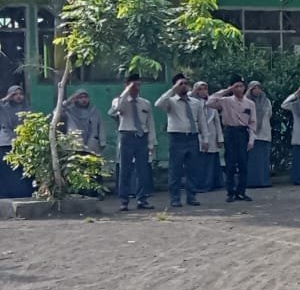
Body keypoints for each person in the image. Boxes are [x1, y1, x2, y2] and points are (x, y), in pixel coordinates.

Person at [155, 74, 204, 208]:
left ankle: (192, 196)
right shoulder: (171, 101)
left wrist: (204, 137)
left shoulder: (195, 102)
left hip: (192, 137)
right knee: (175, 169)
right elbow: (158, 104)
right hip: (177, 138)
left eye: (185, 83)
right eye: (180, 84)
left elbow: (201, 121)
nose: (184, 86)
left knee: (193, 169)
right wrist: (173, 89)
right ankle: (175, 198)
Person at [109, 73, 156, 211]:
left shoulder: (145, 103)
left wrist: (151, 143)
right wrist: (126, 91)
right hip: (126, 135)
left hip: (142, 137)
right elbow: (117, 109)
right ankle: (124, 201)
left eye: (139, 85)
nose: (137, 88)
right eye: (134, 85)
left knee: (143, 170)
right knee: (125, 169)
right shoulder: (119, 100)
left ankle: (142, 199)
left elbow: (150, 123)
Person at [207, 77, 257, 202]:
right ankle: (230, 192)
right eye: (236, 86)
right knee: (230, 164)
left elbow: (252, 123)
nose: (239, 89)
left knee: (243, 164)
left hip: (243, 133)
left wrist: (251, 139)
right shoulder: (226, 101)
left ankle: (241, 192)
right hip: (230, 132)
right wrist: (227, 90)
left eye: (241, 86)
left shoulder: (250, 103)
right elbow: (209, 102)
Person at [191, 81, 225, 193]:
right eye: (200, 89)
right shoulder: (193, 103)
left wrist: (220, 138)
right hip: (199, 135)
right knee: (200, 162)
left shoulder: (211, 103)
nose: (203, 91)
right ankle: (201, 185)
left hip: (212, 135)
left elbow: (217, 122)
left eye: (205, 89)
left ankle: (213, 183)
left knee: (211, 161)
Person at [0, 83, 32, 198]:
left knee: (21, 173)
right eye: (15, 94)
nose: (18, 96)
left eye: (20, 94)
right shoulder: (3, 108)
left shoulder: (27, 108)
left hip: (23, 143)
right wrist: (6, 99)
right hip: (6, 143)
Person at [58, 90, 108, 157]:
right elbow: (56, 112)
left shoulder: (94, 111)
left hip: (91, 146)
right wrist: (68, 101)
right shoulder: (69, 111)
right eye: (80, 97)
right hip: (75, 144)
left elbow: (101, 127)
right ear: (76, 99)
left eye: (85, 97)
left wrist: (102, 142)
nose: (84, 99)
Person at [246, 81, 274, 188]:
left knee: (264, 159)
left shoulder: (266, 101)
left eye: (259, 88)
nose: (257, 90)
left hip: (265, 132)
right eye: (254, 88)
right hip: (251, 133)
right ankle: (252, 182)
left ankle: (264, 181)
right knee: (253, 159)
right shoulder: (246, 101)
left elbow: (269, 114)